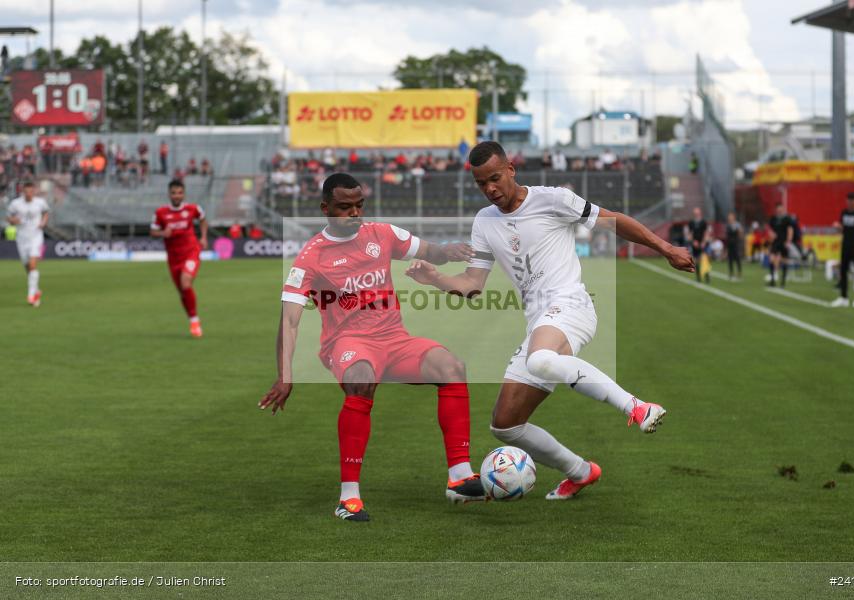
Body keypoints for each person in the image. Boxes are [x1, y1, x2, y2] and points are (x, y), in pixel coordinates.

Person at [406, 142, 694, 501]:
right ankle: (581, 472)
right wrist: (435, 279)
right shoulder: (484, 221)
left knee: (540, 359)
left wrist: (666, 249)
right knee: (506, 424)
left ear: (511, 169)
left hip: (571, 305)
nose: (490, 189)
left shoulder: (553, 199)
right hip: (539, 322)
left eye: (495, 178)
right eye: (482, 184)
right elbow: (472, 284)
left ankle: (636, 407)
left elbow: (613, 220)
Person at [259, 172, 486, 522]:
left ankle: (459, 475)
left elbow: (431, 251)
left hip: (395, 339)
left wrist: (449, 251)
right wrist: (284, 376)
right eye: (345, 207)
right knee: (362, 379)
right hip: (347, 343)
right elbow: (289, 320)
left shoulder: (382, 234)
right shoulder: (310, 258)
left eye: (359, 205)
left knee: (452, 367)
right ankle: (348, 497)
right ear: (325, 208)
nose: (354, 213)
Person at [149, 180, 208, 336]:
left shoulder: (192, 209)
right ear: (169, 194)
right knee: (183, 291)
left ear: (184, 194)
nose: (177, 196)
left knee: (185, 281)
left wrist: (203, 237)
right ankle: (192, 319)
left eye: (180, 192)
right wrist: (163, 233)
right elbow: (153, 231)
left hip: (191, 251)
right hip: (173, 258)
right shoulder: (161, 213)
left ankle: (195, 323)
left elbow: (202, 218)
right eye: (174, 193)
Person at [6, 180, 49, 306]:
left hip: (36, 236)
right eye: (26, 191)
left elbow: (46, 213)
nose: (29, 193)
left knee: (32, 264)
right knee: (27, 266)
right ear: (23, 191)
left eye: (31, 191)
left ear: (34, 191)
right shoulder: (15, 204)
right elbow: (9, 218)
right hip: (22, 237)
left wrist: (43, 222)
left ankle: (31, 296)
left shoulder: (40, 202)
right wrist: (13, 220)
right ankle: (36, 289)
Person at [831, 192, 854, 308]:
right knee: (843, 271)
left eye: (852, 200)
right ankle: (843, 297)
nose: (849, 203)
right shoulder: (844, 212)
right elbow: (843, 230)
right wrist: (838, 227)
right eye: (848, 200)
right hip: (845, 246)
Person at [767, 203, 794, 288]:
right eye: (778, 209)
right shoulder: (773, 218)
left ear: (783, 209)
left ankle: (783, 282)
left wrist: (788, 241)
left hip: (783, 242)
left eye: (781, 209)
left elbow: (790, 230)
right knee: (771, 259)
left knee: (784, 261)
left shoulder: (787, 218)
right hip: (775, 242)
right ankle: (773, 280)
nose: (779, 210)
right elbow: (769, 229)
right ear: (776, 210)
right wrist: (771, 234)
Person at [688, 207, 711, 283]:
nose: (696, 214)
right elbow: (690, 234)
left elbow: (706, 233)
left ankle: (707, 277)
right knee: (696, 261)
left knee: (704, 261)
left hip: (702, 244)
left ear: (700, 213)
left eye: (697, 213)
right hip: (695, 244)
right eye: (695, 213)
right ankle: (698, 278)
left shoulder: (703, 222)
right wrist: (693, 241)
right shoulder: (691, 222)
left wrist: (703, 242)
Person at [725, 213, 743, 280]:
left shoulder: (737, 225)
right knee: (730, 259)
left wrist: (739, 240)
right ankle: (731, 273)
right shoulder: (728, 225)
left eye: (731, 217)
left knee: (737, 258)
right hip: (730, 244)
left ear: (734, 217)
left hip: (736, 243)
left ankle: (739, 272)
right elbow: (727, 235)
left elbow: (740, 233)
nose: (730, 219)